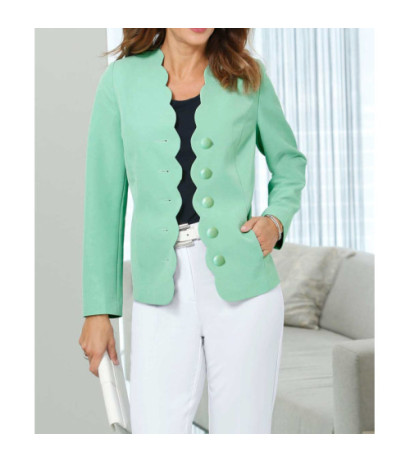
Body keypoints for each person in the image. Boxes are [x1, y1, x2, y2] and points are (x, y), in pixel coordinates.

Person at [79, 28, 307, 434]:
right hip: (159, 286)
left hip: (246, 286)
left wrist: (275, 220)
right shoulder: (120, 82)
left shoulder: (247, 77)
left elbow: (289, 162)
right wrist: (99, 310)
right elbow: (103, 201)